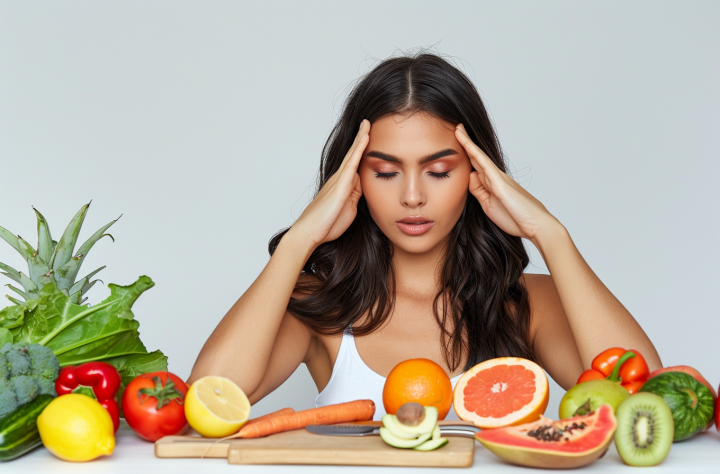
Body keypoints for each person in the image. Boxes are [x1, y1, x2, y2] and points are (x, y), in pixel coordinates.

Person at [189, 52, 661, 420]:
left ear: (477, 175)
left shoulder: (527, 302)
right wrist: (300, 240)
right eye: (385, 172)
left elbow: (645, 397)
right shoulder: (322, 304)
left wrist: (550, 234)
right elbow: (208, 400)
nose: (412, 197)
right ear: (353, 180)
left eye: (437, 171)